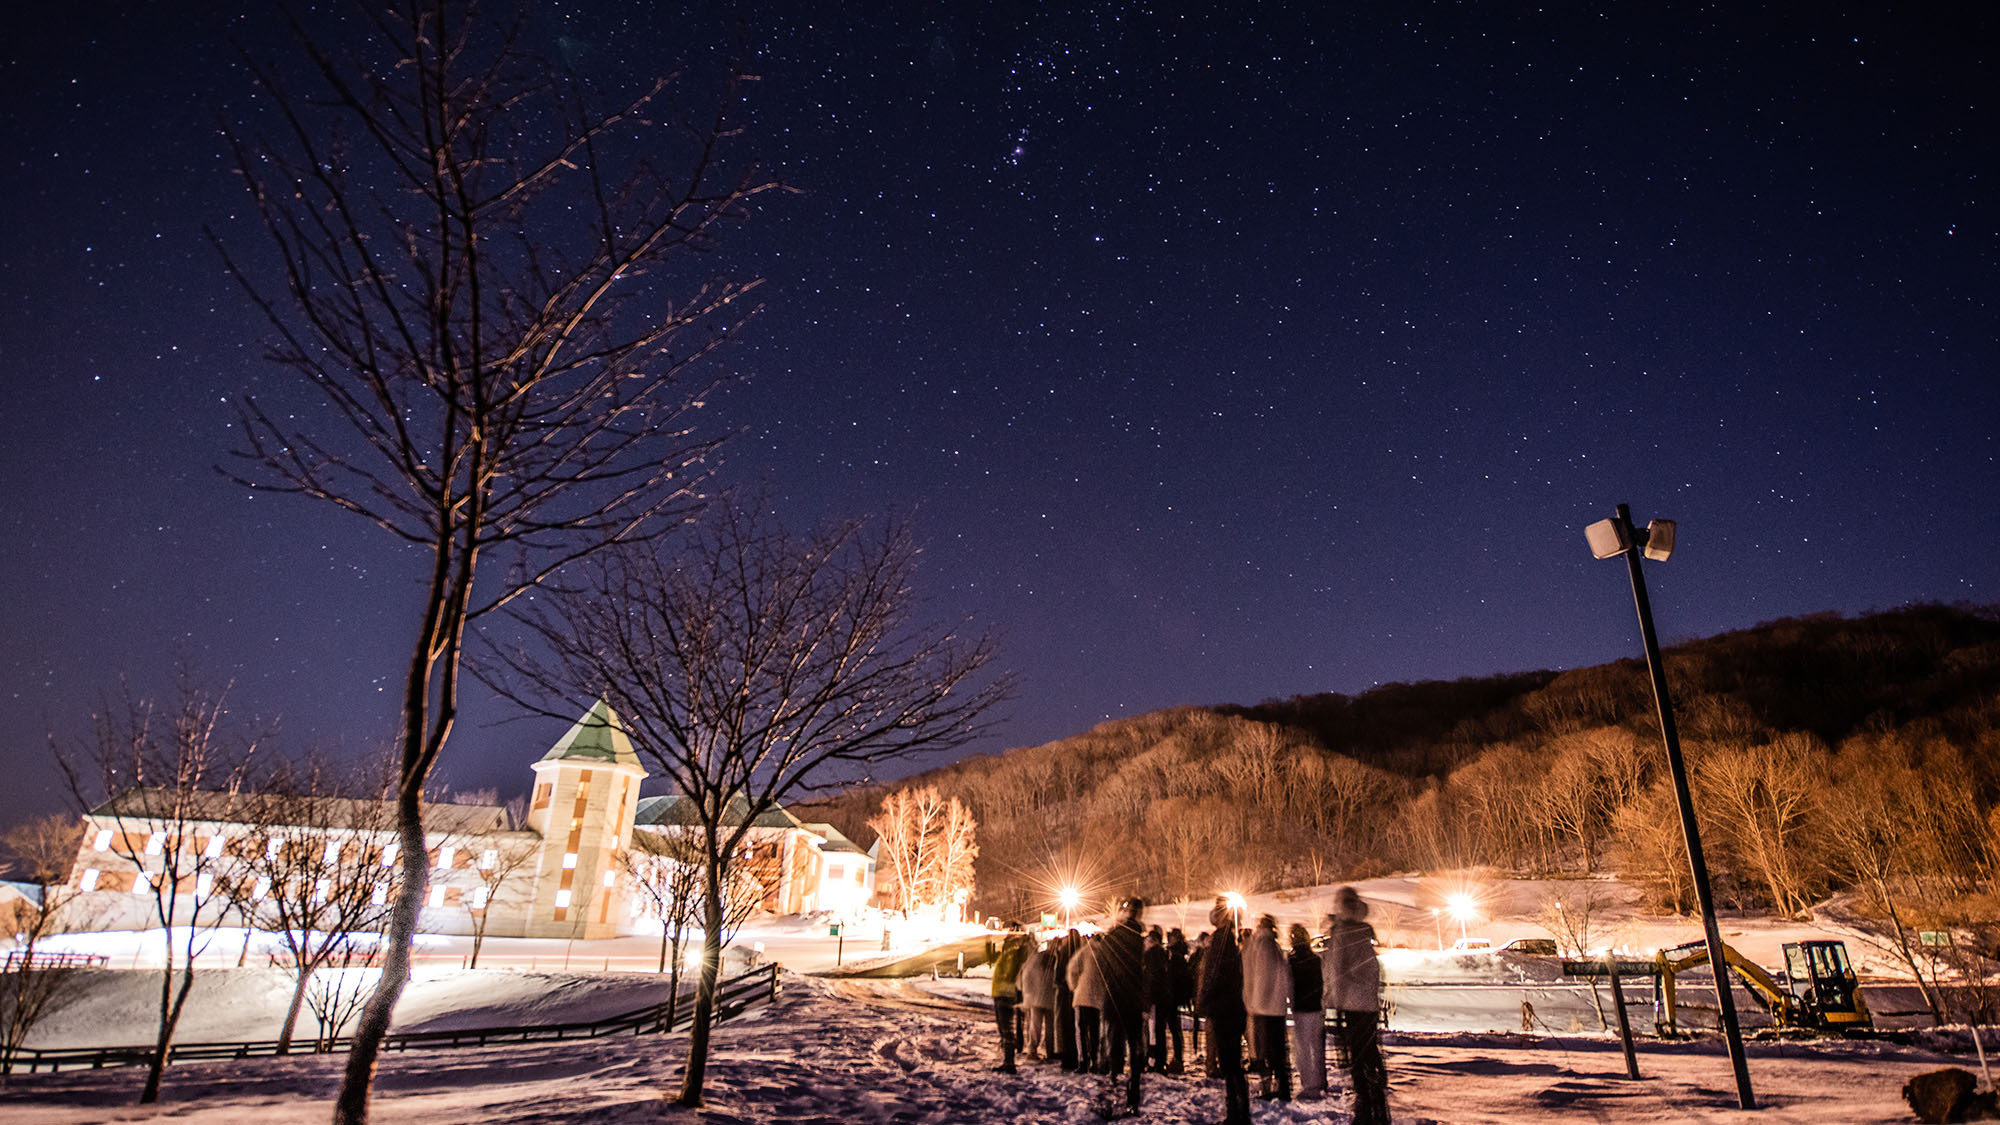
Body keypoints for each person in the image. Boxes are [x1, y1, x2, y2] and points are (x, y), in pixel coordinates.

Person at [1324, 887, 1388, 1125]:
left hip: (1351, 1004)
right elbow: (1373, 969)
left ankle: (1364, 1112)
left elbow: (1337, 971)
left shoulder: (1341, 933)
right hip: (1368, 1004)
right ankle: (1377, 1107)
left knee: (1357, 1061)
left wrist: (1333, 1001)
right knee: (1370, 1055)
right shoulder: (1363, 931)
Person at [1197, 898, 1250, 1125]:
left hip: (1223, 1008)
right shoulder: (1231, 941)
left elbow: (1214, 975)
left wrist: (1204, 998)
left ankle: (1237, 1113)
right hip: (1233, 1008)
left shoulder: (1220, 941)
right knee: (1233, 1063)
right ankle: (1239, 1111)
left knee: (1230, 1064)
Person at [1099, 897, 1149, 1115]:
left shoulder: (1113, 937)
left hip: (1114, 997)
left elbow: (1103, 966)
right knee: (1134, 1047)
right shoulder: (1141, 939)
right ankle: (1133, 1096)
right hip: (1133, 1000)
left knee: (1114, 1046)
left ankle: (1112, 1091)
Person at [1242, 913, 1292, 1102]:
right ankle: (1281, 1087)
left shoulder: (1263, 945)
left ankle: (1274, 1089)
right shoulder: (1273, 945)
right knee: (1277, 1051)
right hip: (1276, 1008)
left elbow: (1262, 977)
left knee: (1268, 1051)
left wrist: (1255, 1003)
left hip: (1265, 1008)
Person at [1288, 922, 1327, 1099]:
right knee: (1317, 1046)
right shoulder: (1316, 959)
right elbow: (1322, 983)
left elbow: (1289, 985)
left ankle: (1308, 1082)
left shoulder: (1292, 961)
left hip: (1301, 1008)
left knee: (1303, 1047)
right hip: (1316, 1007)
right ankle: (1320, 1080)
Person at [989, 929, 1028, 1072]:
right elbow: (992, 959)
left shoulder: (1011, 955)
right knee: (1004, 1030)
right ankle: (1008, 1061)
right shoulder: (1008, 954)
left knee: (1007, 1030)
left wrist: (1006, 977)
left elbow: (1010, 973)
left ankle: (1009, 1063)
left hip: (1005, 994)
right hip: (1001, 993)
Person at [1070, 931, 1107, 1072]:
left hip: (1083, 996)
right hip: (1098, 999)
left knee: (1081, 1031)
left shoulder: (1085, 951)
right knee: (1095, 1031)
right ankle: (1095, 1061)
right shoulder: (1105, 954)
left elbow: (1072, 970)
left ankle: (1083, 1061)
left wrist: (1075, 987)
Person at [1019, 934, 1056, 1062]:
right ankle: (1050, 1051)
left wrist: (1027, 993)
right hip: (1050, 999)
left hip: (1036, 998)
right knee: (1050, 1027)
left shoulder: (1036, 959)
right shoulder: (1055, 960)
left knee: (1035, 1026)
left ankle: (1032, 1050)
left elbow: (1027, 975)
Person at [1163, 927, 1191, 1073]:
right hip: (1176, 996)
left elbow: (1173, 977)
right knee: (1175, 1030)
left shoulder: (1174, 956)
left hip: (1171, 996)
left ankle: (1177, 1059)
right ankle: (1177, 1057)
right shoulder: (1181, 953)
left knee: (1174, 1029)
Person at [1053, 929, 1080, 1070]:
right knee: (1075, 1027)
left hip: (1065, 994)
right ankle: (1076, 1055)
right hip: (1076, 993)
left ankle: (1066, 1056)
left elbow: (1058, 975)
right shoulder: (1079, 951)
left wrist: (1060, 985)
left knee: (1064, 1026)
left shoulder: (1064, 952)